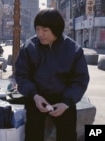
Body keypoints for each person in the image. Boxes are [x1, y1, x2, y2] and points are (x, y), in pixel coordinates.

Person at [15, 8, 89, 141]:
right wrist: (34, 96)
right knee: (32, 134)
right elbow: (21, 75)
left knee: (68, 135)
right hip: (36, 97)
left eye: (45, 30)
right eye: (37, 29)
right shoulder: (29, 47)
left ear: (56, 29)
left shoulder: (73, 50)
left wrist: (66, 103)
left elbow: (80, 80)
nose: (40, 34)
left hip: (64, 98)